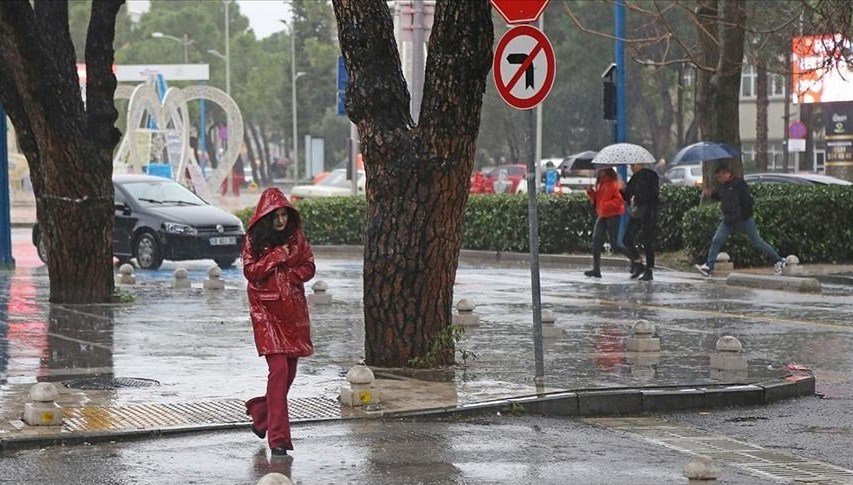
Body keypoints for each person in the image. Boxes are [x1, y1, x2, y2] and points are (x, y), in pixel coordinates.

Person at [243, 187, 315, 456]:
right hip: (266, 313)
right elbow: (250, 272)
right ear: (266, 216)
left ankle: (262, 416)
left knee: (289, 375)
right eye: (277, 215)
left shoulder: (296, 237)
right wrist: (276, 257)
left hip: (293, 313)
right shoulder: (253, 239)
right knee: (279, 372)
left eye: (285, 214)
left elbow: (309, 265)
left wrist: (293, 276)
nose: (282, 220)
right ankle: (279, 439)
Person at [694, 165, 786, 277]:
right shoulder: (722, 186)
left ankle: (778, 260)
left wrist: (744, 215)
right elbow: (720, 196)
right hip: (728, 221)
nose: (719, 179)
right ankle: (709, 266)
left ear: (727, 174)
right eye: (718, 177)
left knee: (757, 242)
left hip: (744, 220)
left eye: (721, 176)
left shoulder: (739, 184)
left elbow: (748, 202)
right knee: (717, 240)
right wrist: (711, 194)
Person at [584, 167, 626, 278]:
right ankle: (596, 269)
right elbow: (597, 201)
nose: (600, 172)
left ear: (607, 171)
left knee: (615, 244)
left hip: (613, 216)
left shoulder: (613, 184)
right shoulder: (600, 184)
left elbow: (619, 201)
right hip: (602, 216)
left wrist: (605, 205)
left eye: (602, 170)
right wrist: (591, 193)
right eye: (599, 170)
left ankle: (635, 260)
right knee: (596, 241)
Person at [622, 162, 660, 281]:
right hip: (637, 212)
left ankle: (649, 270)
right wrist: (622, 190)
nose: (631, 168)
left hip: (648, 212)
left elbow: (653, 194)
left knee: (647, 241)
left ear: (640, 164)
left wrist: (638, 198)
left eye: (633, 165)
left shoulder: (651, 176)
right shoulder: (634, 178)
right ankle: (638, 262)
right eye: (630, 166)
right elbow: (628, 196)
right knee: (627, 238)